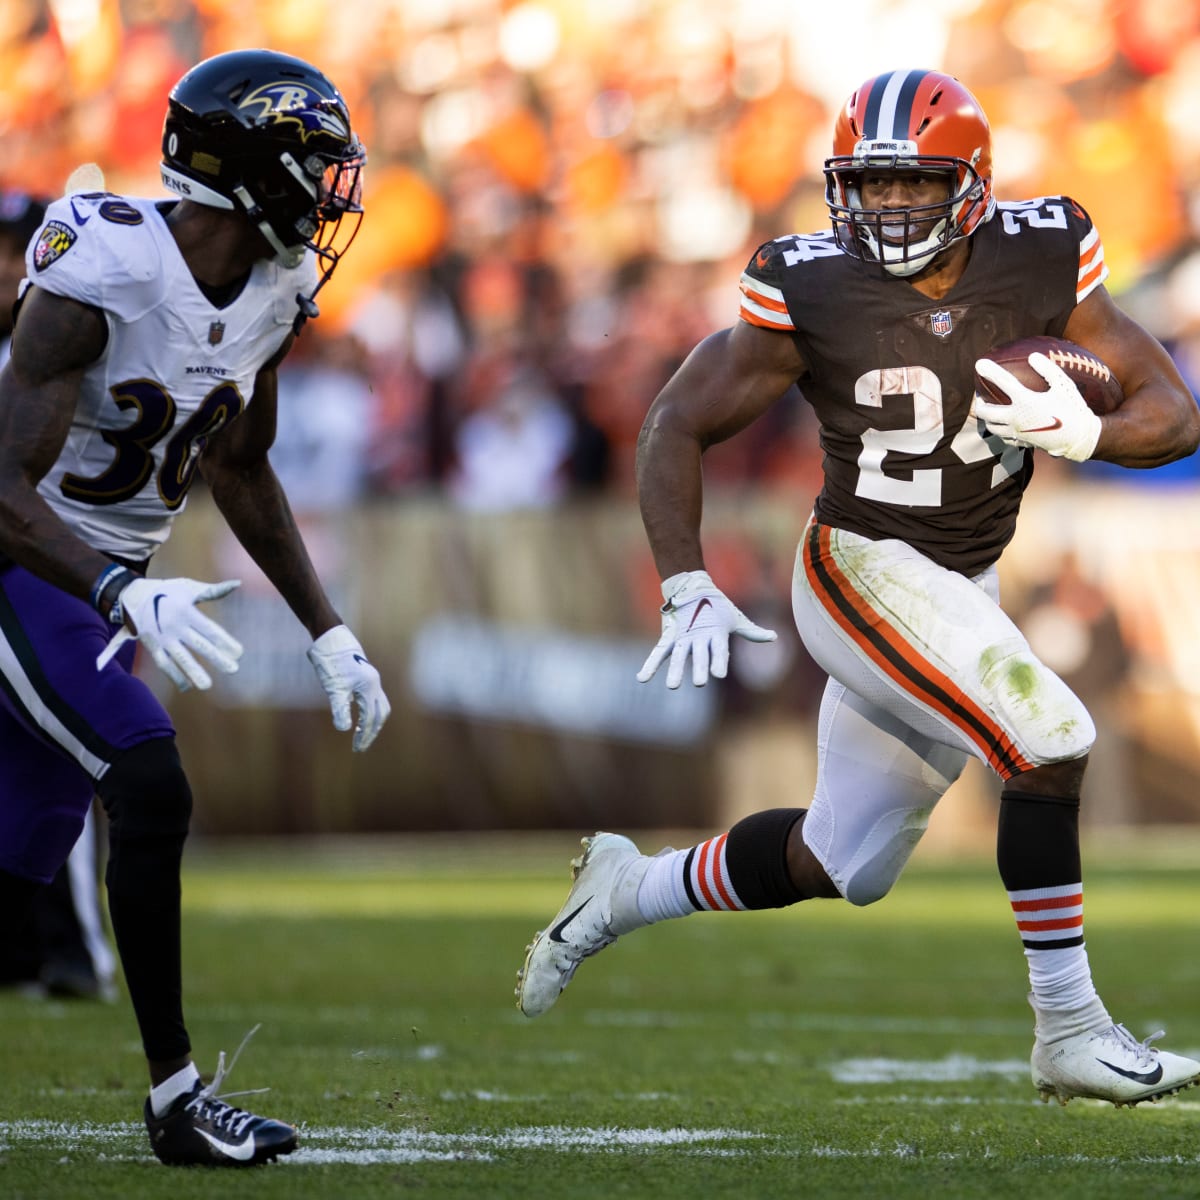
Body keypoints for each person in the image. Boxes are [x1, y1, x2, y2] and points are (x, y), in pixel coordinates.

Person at [515, 68, 1200, 1109]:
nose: (887, 208)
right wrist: (683, 574)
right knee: (1049, 735)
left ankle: (626, 890)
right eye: (869, 187)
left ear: (970, 185)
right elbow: (678, 418)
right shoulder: (810, 280)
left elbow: (1173, 410)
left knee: (843, 860)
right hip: (860, 568)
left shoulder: (1045, 250)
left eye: (912, 185)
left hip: (963, 579)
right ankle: (1069, 1028)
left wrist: (1090, 432)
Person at [0, 49, 391, 1167]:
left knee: (15, 864)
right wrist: (118, 582)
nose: (330, 189)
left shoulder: (275, 287)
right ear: (249, 162)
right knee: (147, 774)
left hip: (102, 591)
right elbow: (1, 488)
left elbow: (243, 467)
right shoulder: (107, 265)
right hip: (28, 563)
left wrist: (332, 632)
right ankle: (177, 1101)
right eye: (313, 161)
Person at [0, 188, 117, 1002]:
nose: (10, 264)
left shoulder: (79, 343)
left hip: (43, 577)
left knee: (62, 754)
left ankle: (74, 949)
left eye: (21, 246)